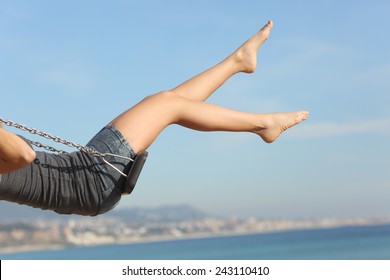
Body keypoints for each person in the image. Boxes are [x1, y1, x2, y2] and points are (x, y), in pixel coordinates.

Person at [0, 20, 308, 216]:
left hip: (83, 174)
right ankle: (263, 124)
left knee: (169, 103)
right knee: (165, 105)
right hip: (90, 181)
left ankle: (238, 62)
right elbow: (23, 154)